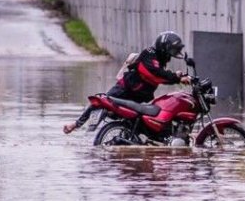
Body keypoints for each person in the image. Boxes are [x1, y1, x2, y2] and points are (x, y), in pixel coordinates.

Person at [63, 31, 192, 134]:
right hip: (125, 90)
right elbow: (154, 73)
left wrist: (176, 75)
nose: (175, 53)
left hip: (139, 96)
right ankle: (75, 124)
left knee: (137, 125)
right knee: (102, 101)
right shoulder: (149, 54)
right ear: (164, 48)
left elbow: (158, 75)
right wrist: (176, 78)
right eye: (173, 50)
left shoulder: (159, 58)